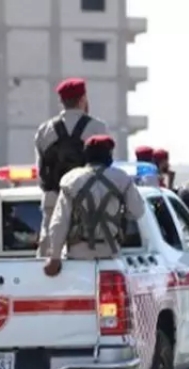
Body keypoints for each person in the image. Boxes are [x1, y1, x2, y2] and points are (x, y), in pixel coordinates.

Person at [40, 135, 146, 277]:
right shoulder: (122, 179)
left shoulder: (71, 180)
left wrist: (55, 257)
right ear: (109, 155)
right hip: (109, 252)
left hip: (78, 255)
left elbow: (60, 222)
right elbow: (137, 211)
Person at [33, 78, 110, 242]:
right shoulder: (98, 128)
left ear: (61, 101)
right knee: (86, 250)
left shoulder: (44, 130)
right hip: (88, 201)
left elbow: (41, 172)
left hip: (53, 199)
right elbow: (105, 169)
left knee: (48, 251)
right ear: (83, 98)